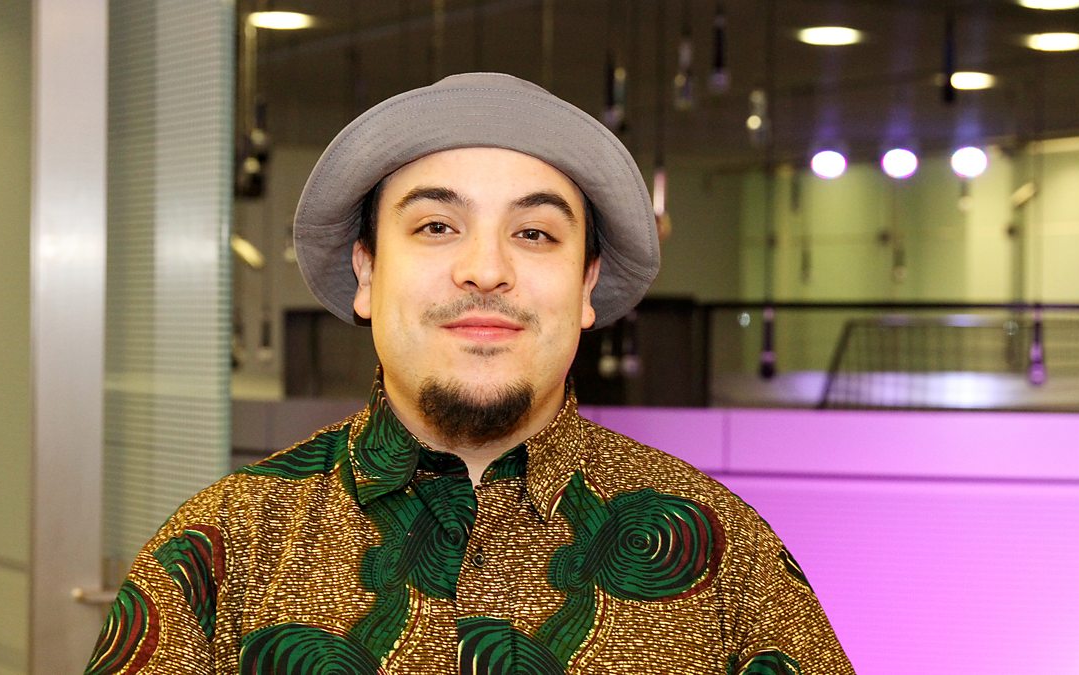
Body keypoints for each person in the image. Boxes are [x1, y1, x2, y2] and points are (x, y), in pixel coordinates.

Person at [86, 72, 853, 674]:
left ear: (586, 284)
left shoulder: (723, 557)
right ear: (367, 270)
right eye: (436, 226)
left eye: (535, 233)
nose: (485, 268)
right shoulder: (219, 552)